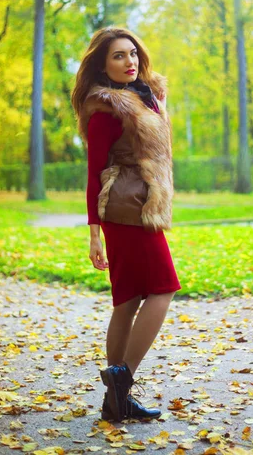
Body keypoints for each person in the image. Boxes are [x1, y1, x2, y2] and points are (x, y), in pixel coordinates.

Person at [71, 26, 182, 423]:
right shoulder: (105, 109)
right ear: (102, 65)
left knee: (127, 301)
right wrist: (93, 234)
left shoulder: (147, 96)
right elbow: (93, 173)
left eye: (132, 53)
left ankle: (115, 402)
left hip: (142, 206)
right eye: (118, 56)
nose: (129, 61)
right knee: (164, 289)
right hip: (126, 210)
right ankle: (123, 377)